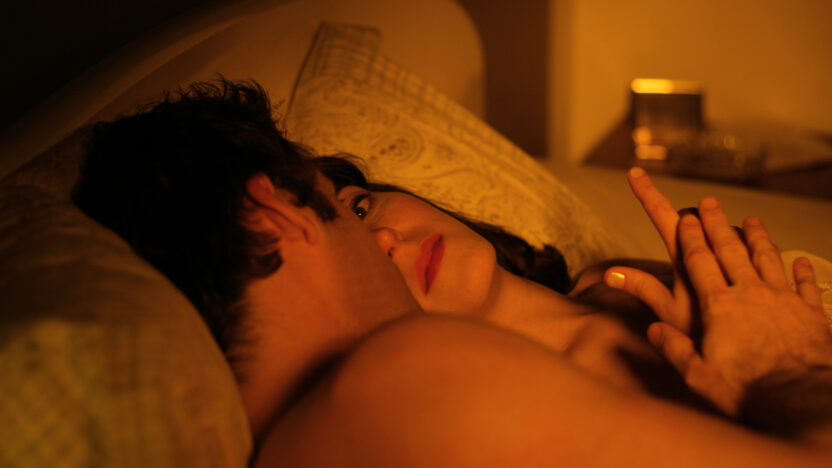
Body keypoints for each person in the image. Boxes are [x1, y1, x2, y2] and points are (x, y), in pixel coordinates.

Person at [74, 79, 832, 465]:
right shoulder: (398, 384)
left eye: (365, 202)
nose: (384, 241)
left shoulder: (319, 431)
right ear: (271, 210)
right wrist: (785, 365)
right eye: (343, 208)